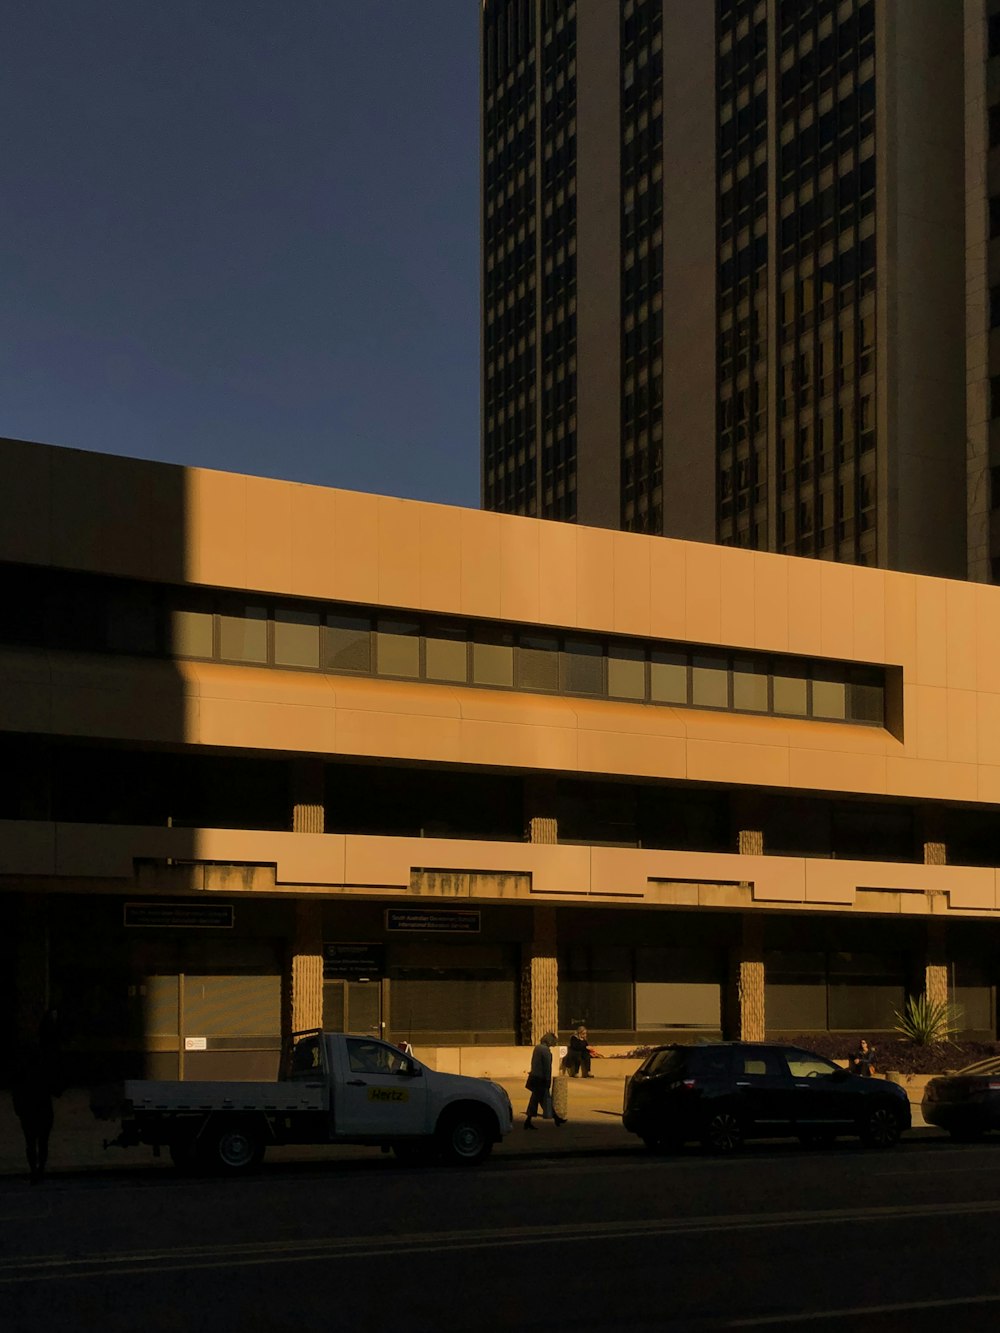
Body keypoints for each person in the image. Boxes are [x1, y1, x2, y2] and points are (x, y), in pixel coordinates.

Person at [11, 1010, 63, 1185]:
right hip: (41, 1104)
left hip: (29, 1105)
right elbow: (54, 1085)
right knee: (42, 1141)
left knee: (31, 1140)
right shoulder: (44, 1063)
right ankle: (39, 1170)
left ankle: (35, 1170)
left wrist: (18, 1105)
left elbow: (17, 1085)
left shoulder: (24, 1067)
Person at [524, 1031, 566, 1129]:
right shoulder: (546, 1051)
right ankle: (555, 1118)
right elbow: (547, 1068)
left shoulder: (537, 1048)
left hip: (535, 1077)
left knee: (539, 1100)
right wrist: (548, 1081)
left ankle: (556, 1118)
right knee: (542, 1099)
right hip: (541, 1079)